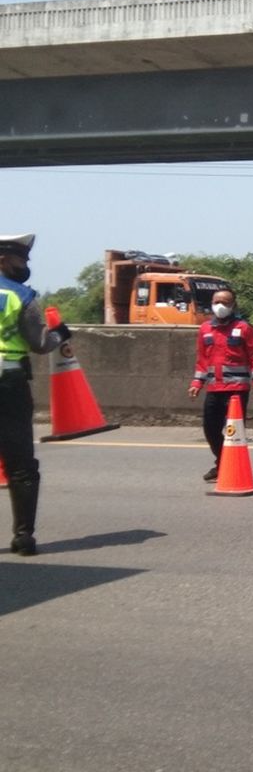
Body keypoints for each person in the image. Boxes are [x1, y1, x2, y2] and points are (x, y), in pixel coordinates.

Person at [0, 233, 70, 556]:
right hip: (9, 383)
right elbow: (41, 344)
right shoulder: (20, 295)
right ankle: (24, 537)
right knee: (20, 463)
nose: (25, 266)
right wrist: (59, 334)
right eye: (21, 260)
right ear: (3, 260)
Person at [188, 289, 253, 481]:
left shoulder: (244, 328)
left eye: (225, 302)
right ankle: (223, 462)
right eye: (217, 301)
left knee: (234, 431)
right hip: (214, 388)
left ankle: (233, 467)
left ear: (233, 305)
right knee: (210, 429)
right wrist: (197, 382)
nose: (220, 306)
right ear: (212, 303)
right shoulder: (205, 329)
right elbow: (202, 361)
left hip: (237, 390)